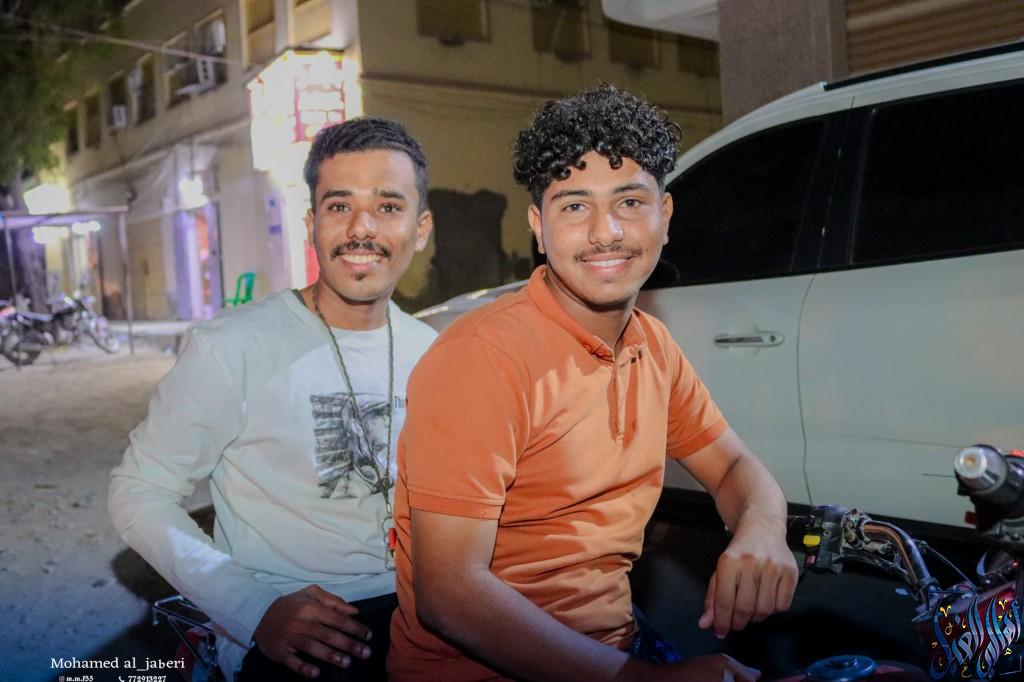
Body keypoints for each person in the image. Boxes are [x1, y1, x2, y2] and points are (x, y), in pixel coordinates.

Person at [388, 84, 798, 682]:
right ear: (538, 225)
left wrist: (762, 530)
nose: (606, 232)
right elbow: (449, 595)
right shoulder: (482, 357)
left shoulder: (652, 345)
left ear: (665, 216)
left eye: (629, 201)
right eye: (575, 206)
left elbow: (734, 467)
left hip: (614, 646)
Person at [108, 117, 437, 682]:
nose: (361, 228)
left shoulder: (434, 352)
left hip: (424, 613)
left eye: (388, 206)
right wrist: (254, 609)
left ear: (421, 227)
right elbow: (138, 492)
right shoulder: (232, 347)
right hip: (290, 625)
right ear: (311, 225)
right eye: (339, 206)